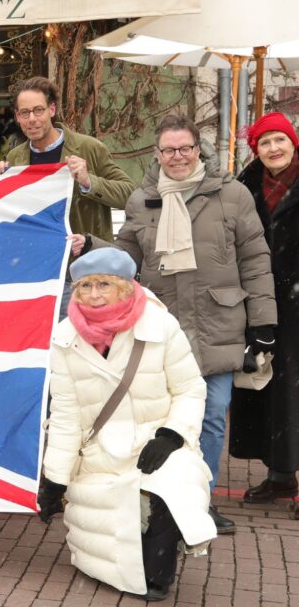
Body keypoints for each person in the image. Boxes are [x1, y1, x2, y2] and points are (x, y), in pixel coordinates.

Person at [105, 114, 276, 534]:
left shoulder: (232, 194)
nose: (178, 157)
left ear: (198, 150)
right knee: (164, 417)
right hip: (162, 323)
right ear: (157, 154)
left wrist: (263, 325)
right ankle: (165, 500)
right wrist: (86, 248)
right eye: (169, 150)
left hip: (219, 322)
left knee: (213, 415)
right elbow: (123, 260)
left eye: (185, 148)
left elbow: (255, 260)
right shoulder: (141, 199)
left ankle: (201, 500)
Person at [39, 248, 215, 602]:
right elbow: (67, 415)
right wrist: (54, 478)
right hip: (100, 450)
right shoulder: (64, 337)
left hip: (158, 440)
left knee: (170, 490)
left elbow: (190, 388)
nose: (94, 294)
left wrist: (171, 435)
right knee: (105, 537)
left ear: (124, 286)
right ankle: (136, 565)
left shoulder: (160, 325)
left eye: (104, 284)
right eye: (85, 285)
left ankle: (160, 571)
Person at [229, 112, 299, 503]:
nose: (273, 149)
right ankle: (281, 474)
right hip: (261, 300)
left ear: (293, 142)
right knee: (273, 389)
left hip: (297, 299)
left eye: (280, 140)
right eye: (265, 142)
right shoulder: (246, 184)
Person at [0, 76, 133, 244]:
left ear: (52, 110)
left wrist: (88, 182)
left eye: (39, 110)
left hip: (84, 261)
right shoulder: (15, 157)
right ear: (18, 117)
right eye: (25, 113)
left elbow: (129, 195)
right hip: (39, 257)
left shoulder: (90, 148)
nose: (32, 119)